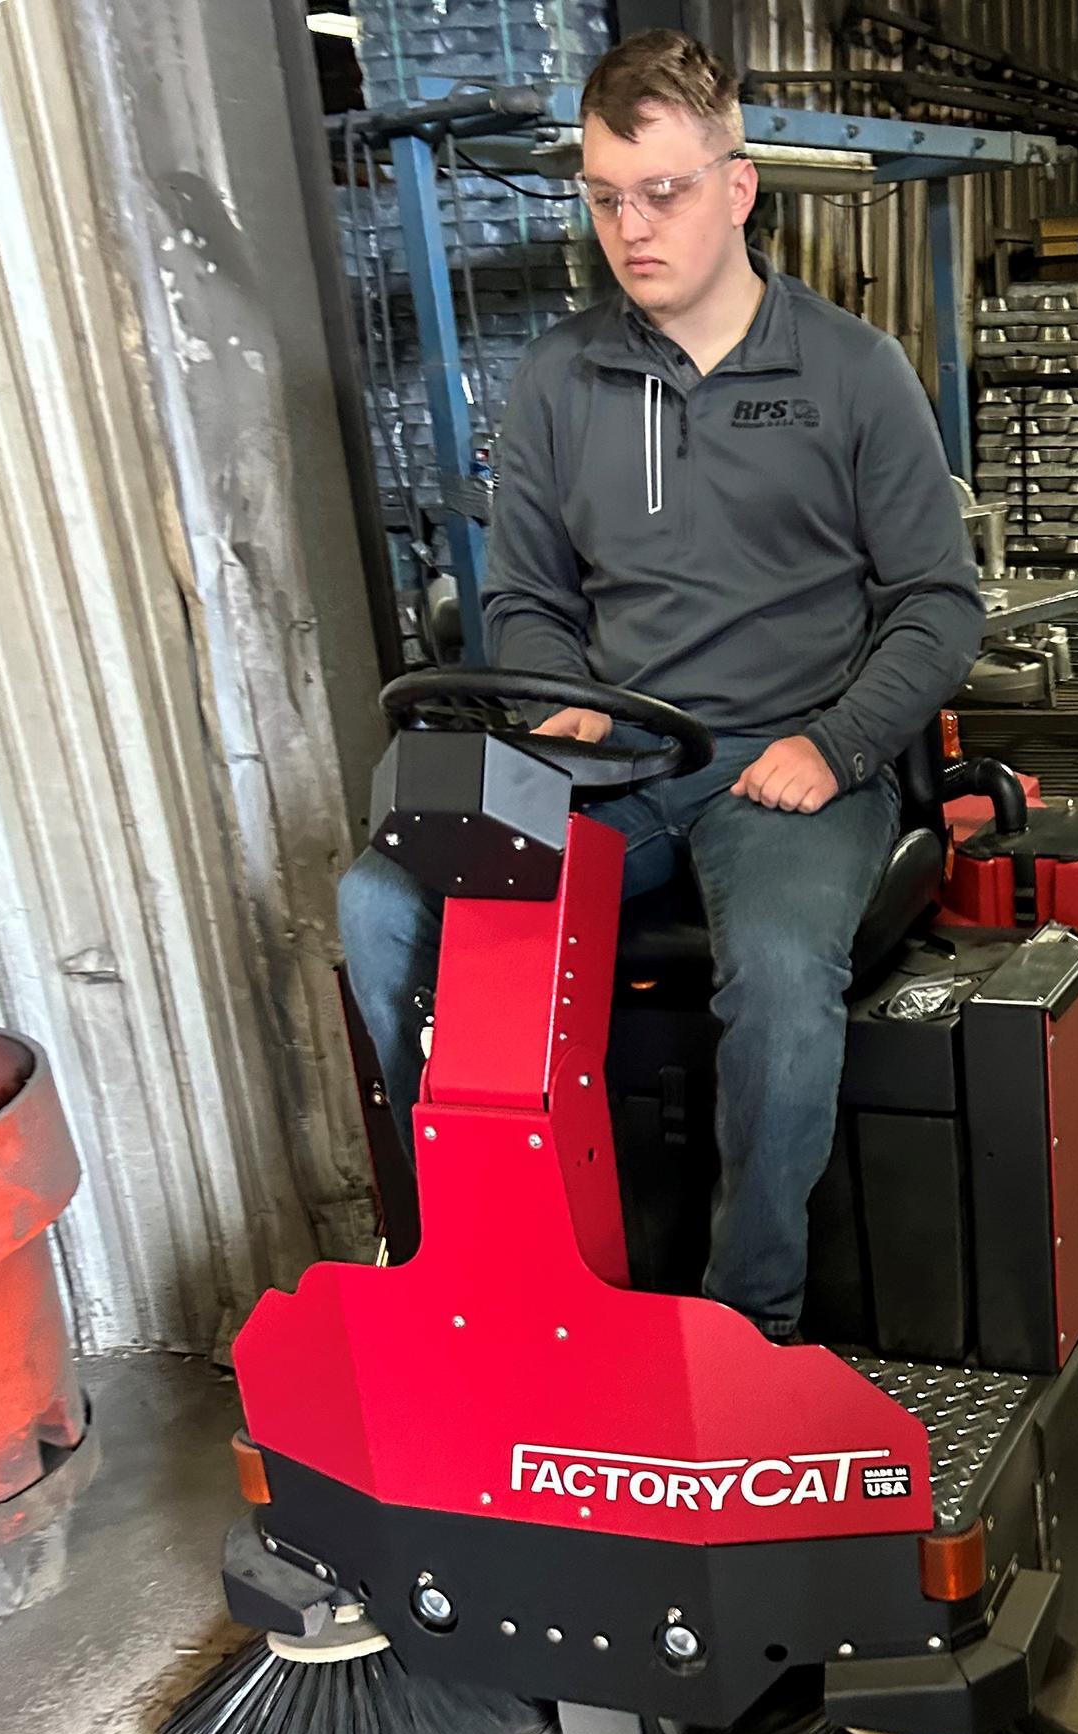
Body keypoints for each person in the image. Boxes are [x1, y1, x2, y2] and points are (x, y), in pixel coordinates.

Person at [337, 28, 983, 1338]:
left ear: (736, 188)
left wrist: (842, 744)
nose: (635, 228)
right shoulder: (563, 379)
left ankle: (749, 1326)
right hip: (617, 762)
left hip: (786, 765)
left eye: (666, 193)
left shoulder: (851, 374)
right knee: (380, 901)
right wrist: (554, 695)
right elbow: (523, 594)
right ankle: (472, 1283)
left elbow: (938, 604)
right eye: (607, 198)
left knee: (783, 983)